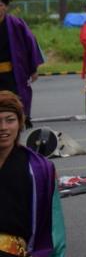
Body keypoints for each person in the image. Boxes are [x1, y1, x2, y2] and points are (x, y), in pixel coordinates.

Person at [0, 91, 65, 257]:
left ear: (20, 123)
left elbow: (54, 227)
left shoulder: (38, 169)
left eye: (10, 120)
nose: (3, 128)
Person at [0, 0, 44, 128]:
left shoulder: (16, 24)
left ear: (6, 7)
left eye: (0, 5)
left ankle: (19, 121)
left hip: (12, 73)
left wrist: (33, 69)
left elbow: (31, 44)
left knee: (15, 101)